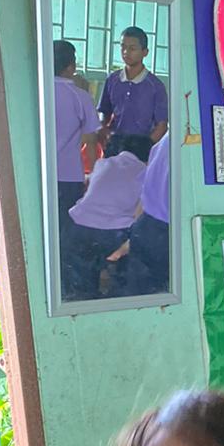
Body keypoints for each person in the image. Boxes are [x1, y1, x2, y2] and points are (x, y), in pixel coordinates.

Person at [64, 133, 151, 301]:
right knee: (124, 274)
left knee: (80, 284)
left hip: (77, 226)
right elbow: (140, 214)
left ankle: (84, 300)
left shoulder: (102, 164)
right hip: (114, 233)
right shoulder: (145, 172)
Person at [97, 25, 168, 144]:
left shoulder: (155, 86)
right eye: (123, 47)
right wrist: (103, 130)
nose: (126, 52)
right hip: (115, 144)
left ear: (145, 52)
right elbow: (104, 111)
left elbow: (161, 125)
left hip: (141, 146)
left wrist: (145, 146)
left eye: (132, 48)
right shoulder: (113, 79)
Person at [51, 39, 99, 211]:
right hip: (69, 174)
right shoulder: (80, 96)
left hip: (37, 173)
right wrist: (94, 176)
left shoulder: (37, 91)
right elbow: (91, 140)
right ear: (71, 67)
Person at [124, 130, 171, 296]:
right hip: (166, 234)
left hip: (146, 227)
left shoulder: (166, 140)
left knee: (141, 296)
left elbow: (144, 194)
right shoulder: (196, 142)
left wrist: (133, 233)